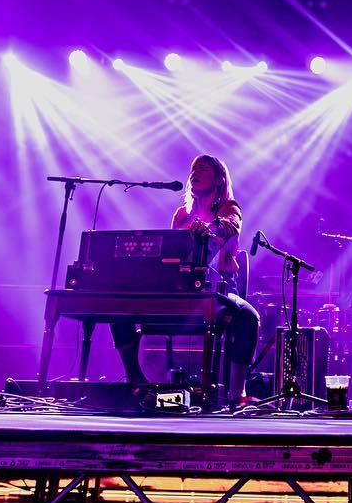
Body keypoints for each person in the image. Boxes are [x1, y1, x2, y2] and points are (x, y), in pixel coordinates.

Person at [111, 154, 259, 404]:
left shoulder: (230, 208)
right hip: (179, 291)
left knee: (249, 318)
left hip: (218, 291)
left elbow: (230, 226)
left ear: (220, 179)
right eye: (192, 169)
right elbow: (170, 252)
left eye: (202, 168)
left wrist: (209, 229)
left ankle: (237, 394)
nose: (194, 172)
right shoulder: (181, 215)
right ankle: (135, 380)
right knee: (118, 307)